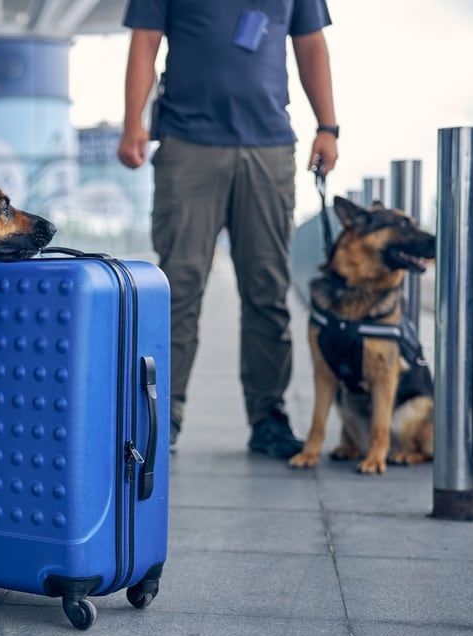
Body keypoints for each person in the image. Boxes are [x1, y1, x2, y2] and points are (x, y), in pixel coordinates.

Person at [118, 0, 338, 458]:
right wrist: (132, 122)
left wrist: (328, 126)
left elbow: (311, 42)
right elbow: (145, 41)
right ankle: (162, 417)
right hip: (187, 145)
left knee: (268, 290)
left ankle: (268, 418)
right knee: (178, 288)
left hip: (269, 147)